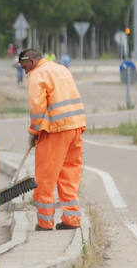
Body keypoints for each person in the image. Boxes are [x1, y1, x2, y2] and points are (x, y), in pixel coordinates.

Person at [18, 47, 86, 231]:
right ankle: (72, 219)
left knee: (45, 176)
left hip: (55, 130)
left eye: (24, 67)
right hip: (75, 127)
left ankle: (45, 222)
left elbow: (37, 107)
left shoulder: (37, 74)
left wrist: (34, 131)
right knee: (69, 174)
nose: (25, 72)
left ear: (31, 61)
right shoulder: (61, 69)